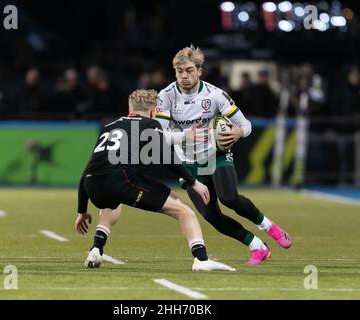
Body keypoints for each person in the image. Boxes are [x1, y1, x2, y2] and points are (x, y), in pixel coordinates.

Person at [153, 46, 291, 265]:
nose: (184, 76)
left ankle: (268, 226)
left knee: (230, 198)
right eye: (179, 71)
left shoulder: (215, 95)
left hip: (216, 155)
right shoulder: (166, 96)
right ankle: (257, 247)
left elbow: (245, 125)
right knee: (211, 216)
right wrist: (187, 136)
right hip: (187, 164)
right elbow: (158, 135)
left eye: (189, 70)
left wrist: (238, 132)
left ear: (200, 70)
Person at [76, 89, 235, 272]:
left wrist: (82, 211)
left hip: (92, 184)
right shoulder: (150, 123)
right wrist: (194, 182)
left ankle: (96, 247)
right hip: (122, 178)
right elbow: (166, 158)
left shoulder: (108, 126)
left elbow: (86, 171)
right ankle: (201, 259)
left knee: (112, 202)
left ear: (130, 108)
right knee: (184, 211)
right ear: (153, 111)